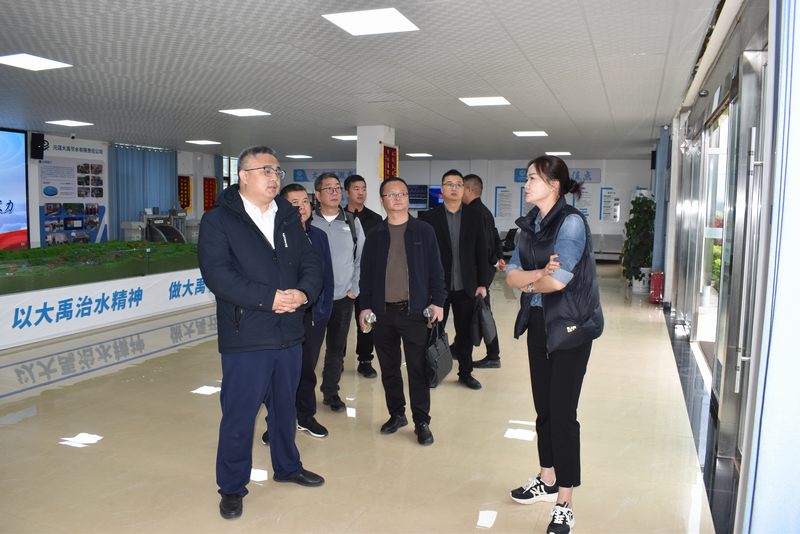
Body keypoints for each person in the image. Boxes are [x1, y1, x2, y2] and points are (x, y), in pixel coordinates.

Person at [198, 146, 325, 521]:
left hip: (289, 333)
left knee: (285, 410)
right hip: (247, 336)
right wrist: (269, 298)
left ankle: (288, 467)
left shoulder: (287, 216)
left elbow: (310, 263)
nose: (274, 177)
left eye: (277, 171)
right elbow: (218, 275)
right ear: (243, 176)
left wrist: (303, 294)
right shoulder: (219, 220)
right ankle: (232, 487)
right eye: (266, 170)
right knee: (239, 416)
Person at [504, 155, 603, 534]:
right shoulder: (529, 225)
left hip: (571, 327)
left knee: (562, 413)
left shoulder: (571, 223)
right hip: (539, 324)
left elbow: (559, 280)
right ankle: (547, 478)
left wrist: (530, 280)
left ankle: (565, 501)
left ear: (554, 185)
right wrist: (535, 276)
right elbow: (510, 274)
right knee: (543, 409)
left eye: (532, 178)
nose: (526, 184)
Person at [358, 177, 446, 445]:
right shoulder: (375, 234)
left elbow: (436, 269)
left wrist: (438, 302)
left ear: (408, 198)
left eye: (402, 194)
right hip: (382, 314)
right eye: (391, 194)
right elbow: (365, 275)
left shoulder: (424, 231)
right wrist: (364, 307)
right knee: (389, 368)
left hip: (415, 313)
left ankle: (422, 421)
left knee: (418, 369)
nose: (397, 198)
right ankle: (397, 414)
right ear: (382, 200)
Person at [261, 183, 334, 443]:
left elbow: (326, 276)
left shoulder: (319, 236)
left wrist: (323, 309)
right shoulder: (272, 236)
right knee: (280, 373)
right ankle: (276, 422)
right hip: (283, 314)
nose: (301, 207)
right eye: (294, 203)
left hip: (313, 316)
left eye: (305, 201)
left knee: (306, 370)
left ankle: (305, 416)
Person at [419, 169, 492, 390]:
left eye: (458, 184)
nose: (454, 188)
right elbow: (422, 256)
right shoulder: (428, 218)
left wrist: (483, 283)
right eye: (449, 184)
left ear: (464, 189)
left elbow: (483, 251)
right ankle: (432, 372)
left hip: (466, 286)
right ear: (442, 189)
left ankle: (465, 373)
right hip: (437, 288)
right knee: (433, 332)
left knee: (465, 333)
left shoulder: (475, 216)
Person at [310, 173, 365, 412]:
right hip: (313, 300)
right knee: (309, 350)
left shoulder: (352, 222)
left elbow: (362, 258)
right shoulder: (309, 222)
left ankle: (331, 392)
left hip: (342, 298)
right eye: (328, 188)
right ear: (317, 194)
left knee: (336, 349)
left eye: (337, 188)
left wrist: (355, 287)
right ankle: (302, 392)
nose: (334, 192)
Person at [462, 173, 505, 368]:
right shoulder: (484, 211)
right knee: (471, 311)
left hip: (478, 273)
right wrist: (499, 257)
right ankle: (459, 346)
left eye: (461, 187)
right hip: (481, 271)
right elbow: (494, 236)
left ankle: (493, 355)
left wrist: (494, 260)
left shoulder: (474, 213)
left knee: (483, 313)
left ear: (470, 190)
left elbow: (486, 244)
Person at [344, 174, 383, 379]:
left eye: (364, 188)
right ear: (347, 192)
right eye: (356, 189)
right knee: (340, 322)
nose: (361, 193)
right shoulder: (339, 217)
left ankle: (365, 360)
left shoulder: (375, 219)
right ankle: (337, 359)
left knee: (367, 319)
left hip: (367, 278)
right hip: (342, 278)